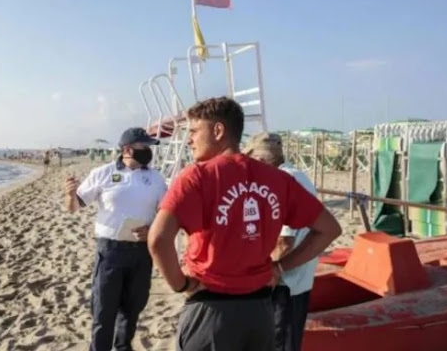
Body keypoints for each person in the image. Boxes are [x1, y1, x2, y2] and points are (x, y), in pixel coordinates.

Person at [147, 96, 342, 351]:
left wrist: (181, 284)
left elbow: (158, 239)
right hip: (260, 313)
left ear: (218, 131)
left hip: (211, 309)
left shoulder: (197, 176)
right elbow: (329, 229)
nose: (190, 140)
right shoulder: (277, 179)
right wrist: (281, 268)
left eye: (194, 131)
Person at [64, 127, 168, 351]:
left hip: (142, 252)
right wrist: (70, 195)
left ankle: (123, 348)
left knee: (132, 309)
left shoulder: (156, 178)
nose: (148, 151)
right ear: (127, 149)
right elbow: (74, 208)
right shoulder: (102, 173)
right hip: (110, 251)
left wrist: (151, 229)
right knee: (104, 311)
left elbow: (165, 214)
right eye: (144, 147)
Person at [244, 132, 319, 351]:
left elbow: (285, 241)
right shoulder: (296, 175)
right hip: (295, 279)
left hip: (285, 283)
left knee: (280, 342)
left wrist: (266, 275)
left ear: (261, 160)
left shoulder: (283, 180)